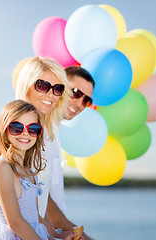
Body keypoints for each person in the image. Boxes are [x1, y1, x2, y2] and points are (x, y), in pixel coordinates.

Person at [0, 57, 89, 239]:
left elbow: (36, 209)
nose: (51, 95)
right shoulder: (11, 133)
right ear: (27, 85)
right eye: (42, 86)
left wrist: (56, 235)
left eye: (58, 89)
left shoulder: (46, 136)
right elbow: (15, 219)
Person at [0, 99, 50, 239]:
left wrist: (58, 235)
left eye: (33, 129)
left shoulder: (29, 172)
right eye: (17, 127)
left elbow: (36, 218)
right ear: (4, 129)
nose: (25, 133)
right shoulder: (2, 168)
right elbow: (15, 222)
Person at [46, 66, 95, 240]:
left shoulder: (54, 132)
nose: (80, 104)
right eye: (75, 92)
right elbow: (40, 198)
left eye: (87, 100)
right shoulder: (35, 128)